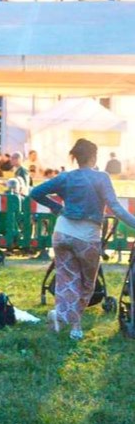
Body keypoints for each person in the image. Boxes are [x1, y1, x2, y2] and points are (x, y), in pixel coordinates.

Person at [30, 138, 135, 340]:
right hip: (86, 237)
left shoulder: (66, 177)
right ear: (94, 156)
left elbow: (36, 192)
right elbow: (116, 208)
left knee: (66, 279)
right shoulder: (101, 178)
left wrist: (57, 208)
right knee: (87, 283)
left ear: (76, 158)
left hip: (62, 233)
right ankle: (75, 326)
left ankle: (60, 316)